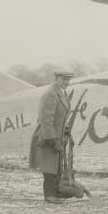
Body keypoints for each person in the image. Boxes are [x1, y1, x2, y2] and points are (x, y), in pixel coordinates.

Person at [29, 70, 73, 204]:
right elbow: (46, 120)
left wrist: (65, 130)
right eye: (63, 79)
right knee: (50, 167)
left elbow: (59, 117)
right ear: (56, 78)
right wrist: (53, 140)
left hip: (56, 134)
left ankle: (55, 192)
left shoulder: (60, 92)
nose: (66, 82)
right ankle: (49, 195)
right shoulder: (51, 94)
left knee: (56, 166)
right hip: (47, 136)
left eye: (68, 79)